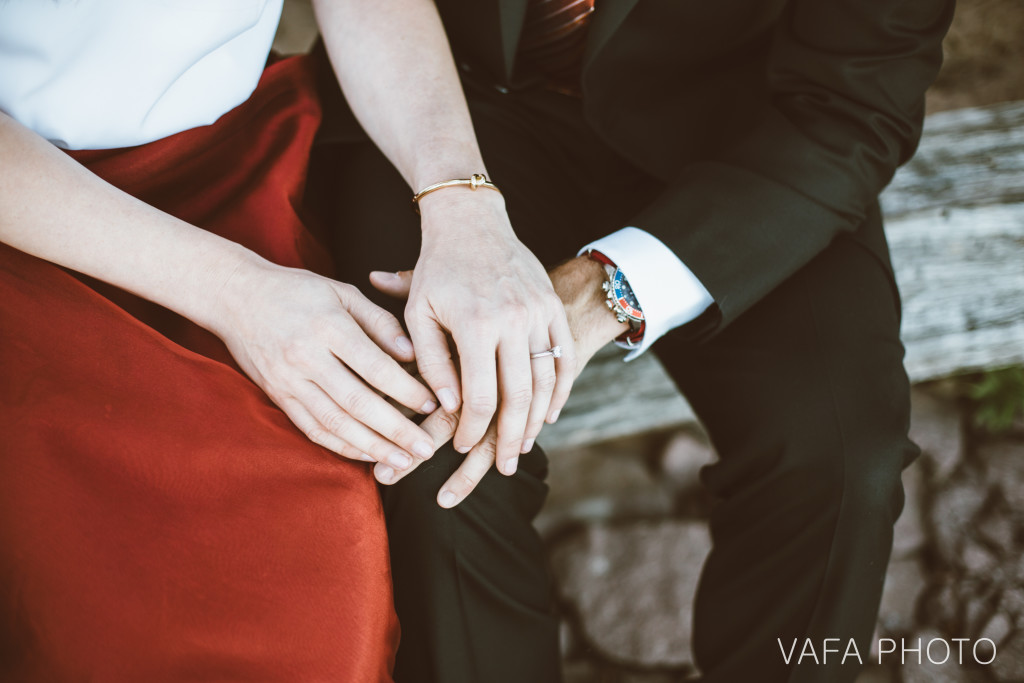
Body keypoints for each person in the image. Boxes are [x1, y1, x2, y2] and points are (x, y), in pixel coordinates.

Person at [306, 0, 956, 681]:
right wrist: (459, 206)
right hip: (445, 100)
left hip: (746, 133)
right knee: (432, 434)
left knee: (840, 456)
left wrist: (606, 291)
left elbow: (856, 103)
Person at [0, 1, 510, 679]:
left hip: (241, 163)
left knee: (322, 606)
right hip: (33, 213)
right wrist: (238, 294)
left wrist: (462, 202)